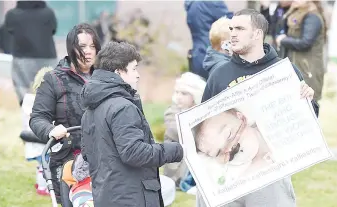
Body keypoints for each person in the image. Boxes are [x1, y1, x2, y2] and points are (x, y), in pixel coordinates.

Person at [198, 9, 316, 207]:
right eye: (231, 28)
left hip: (270, 174)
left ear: (257, 34)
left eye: (240, 28)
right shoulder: (219, 75)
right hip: (228, 179)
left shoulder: (283, 72)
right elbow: (203, 122)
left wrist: (308, 100)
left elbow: (306, 122)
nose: (233, 33)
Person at [80, 41, 184, 207]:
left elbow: (87, 154)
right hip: (131, 199)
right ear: (118, 71)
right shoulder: (122, 107)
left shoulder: (90, 111)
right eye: (134, 68)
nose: (138, 75)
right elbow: (134, 153)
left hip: (106, 197)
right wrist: (175, 149)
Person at [29, 23, 101, 204]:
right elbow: (38, 118)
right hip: (68, 160)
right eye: (83, 46)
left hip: (103, 157)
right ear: (71, 48)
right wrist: (50, 130)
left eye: (93, 46)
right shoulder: (53, 79)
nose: (89, 51)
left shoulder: (104, 78)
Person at [193, 108, 274, 186]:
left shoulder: (272, 122)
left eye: (228, 135)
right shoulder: (240, 178)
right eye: (218, 153)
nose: (229, 149)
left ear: (241, 118)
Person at [4, 0, 58, 106]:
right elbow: (53, 29)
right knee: (50, 89)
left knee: (23, 90)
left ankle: (27, 113)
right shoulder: (48, 13)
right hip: (47, 56)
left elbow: (8, 29)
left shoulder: (12, 15)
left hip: (22, 57)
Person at [276, 0, 327, 105]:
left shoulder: (312, 17)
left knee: (309, 105)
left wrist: (283, 40)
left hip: (308, 70)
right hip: (297, 67)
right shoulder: (297, 13)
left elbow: (305, 42)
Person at [163, 72, 206, 193]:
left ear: (195, 95)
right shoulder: (172, 112)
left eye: (184, 93)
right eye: (177, 92)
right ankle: (187, 184)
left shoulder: (202, 112)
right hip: (178, 166)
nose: (179, 96)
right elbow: (184, 134)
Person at [21, 66, 53, 196]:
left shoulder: (28, 100)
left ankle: (40, 184)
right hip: (40, 140)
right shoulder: (36, 102)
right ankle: (42, 186)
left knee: (41, 164)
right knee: (45, 165)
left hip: (33, 139)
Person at [184, 0, 233, 80]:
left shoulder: (191, 4)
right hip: (214, 56)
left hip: (196, 56)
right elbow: (232, 23)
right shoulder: (211, 2)